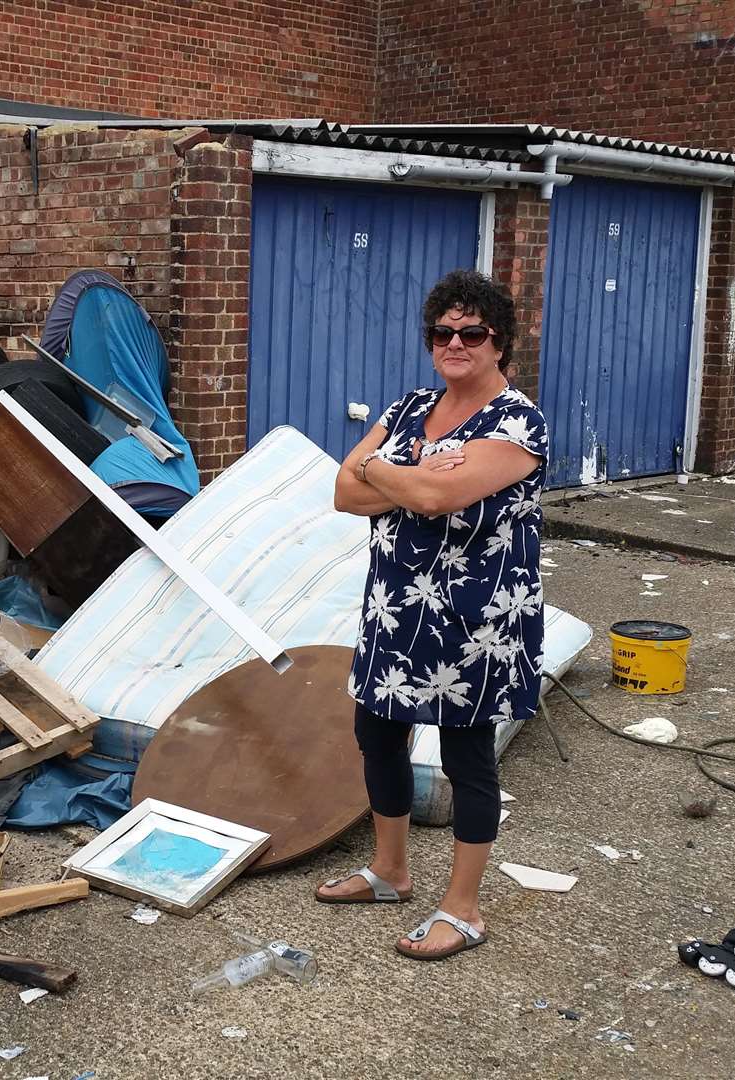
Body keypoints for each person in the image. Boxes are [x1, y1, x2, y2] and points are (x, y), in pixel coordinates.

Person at [314, 269, 549, 961]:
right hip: (395, 611)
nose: (456, 342)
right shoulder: (411, 404)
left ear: (498, 341)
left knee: (465, 758)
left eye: (472, 332)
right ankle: (390, 872)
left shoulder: (518, 421)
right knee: (377, 733)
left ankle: (464, 908)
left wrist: (388, 472)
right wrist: (411, 475)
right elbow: (341, 492)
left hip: (475, 620)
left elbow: (434, 500)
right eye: (443, 331)